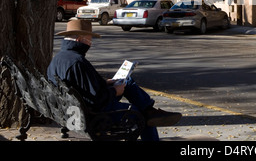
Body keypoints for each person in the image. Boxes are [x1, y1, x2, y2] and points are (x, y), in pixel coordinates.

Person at [47, 19, 181, 141]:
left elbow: (83, 86)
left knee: (127, 82)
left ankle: (149, 109)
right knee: (140, 115)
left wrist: (105, 83)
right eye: (89, 40)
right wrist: (114, 91)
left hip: (74, 109)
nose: (90, 44)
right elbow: (96, 100)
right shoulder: (77, 62)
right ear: (79, 39)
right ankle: (149, 113)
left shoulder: (59, 58)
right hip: (93, 115)